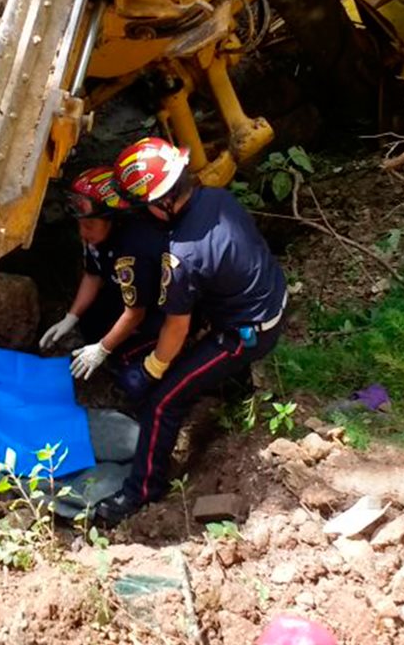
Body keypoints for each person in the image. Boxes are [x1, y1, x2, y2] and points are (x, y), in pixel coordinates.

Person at [94, 136, 288, 524]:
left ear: (162, 203)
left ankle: (140, 491)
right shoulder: (216, 198)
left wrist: (152, 368)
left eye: (144, 207)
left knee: (163, 403)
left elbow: (176, 329)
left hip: (245, 334)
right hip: (270, 296)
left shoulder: (183, 256)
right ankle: (231, 387)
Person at [39, 166, 168, 391]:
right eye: (80, 225)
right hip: (124, 296)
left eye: (89, 225)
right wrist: (71, 317)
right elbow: (93, 274)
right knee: (90, 321)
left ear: (112, 219)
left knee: (129, 373)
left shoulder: (133, 250)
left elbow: (135, 313)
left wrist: (103, 348)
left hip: (160, 313)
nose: (83, 233)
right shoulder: (98, 239)